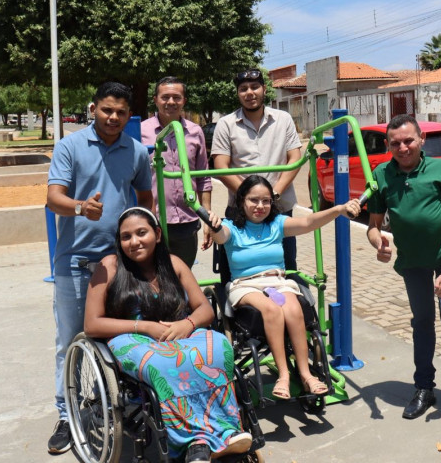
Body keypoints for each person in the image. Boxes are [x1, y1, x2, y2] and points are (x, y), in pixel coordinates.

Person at [84, 207, 252, 463]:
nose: (134, 241)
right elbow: (92, 324)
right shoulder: (109, 266)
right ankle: (191, 442)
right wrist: (143, 327)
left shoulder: (174, 264)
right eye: (126, 237)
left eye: (142, 233)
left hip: (177, 330)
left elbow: (204, 308)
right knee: (166, 362)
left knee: (217, 347)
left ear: (158, 234)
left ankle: (225, 433)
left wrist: (188, 324)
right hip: (130, 337)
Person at [45, 81, 155, 455]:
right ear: (93, 108)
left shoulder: (137, 152)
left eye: (121, 112)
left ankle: (115, 406)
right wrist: (80, 207)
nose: (113, 117)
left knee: (120, 336)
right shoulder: (69, 146)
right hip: (76, 262)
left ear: (128, 114)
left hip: (118, 264)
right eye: (107, 110)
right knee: (72, 340)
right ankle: (67, 415)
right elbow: (53, 199)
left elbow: (144, 198)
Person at [208, 175, 361, 400]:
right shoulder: (232, 227)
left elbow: (309, 223)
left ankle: (306, 374)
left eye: (266, 201)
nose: (260, 206)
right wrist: (213, 224)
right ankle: (284, 375)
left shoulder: (277, 224)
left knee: (293, 309)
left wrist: (337, 210)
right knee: (271, 309)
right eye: (254, 200)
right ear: (241, 201)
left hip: (278, 281)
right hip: (246, 284)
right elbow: (220, 237)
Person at [365, 114, 441, 423]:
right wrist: (379, 243)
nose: (403, 147)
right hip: (412, 263)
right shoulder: (382, 174)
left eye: (409, 140)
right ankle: (424, 387)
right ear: (387, 145)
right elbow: (373, 226)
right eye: (396, 143)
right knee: (422, 322)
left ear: (421, 139)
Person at [210, 68, 302, 271]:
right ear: (237, 93)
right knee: (234, 272)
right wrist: (249, 197)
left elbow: (295, 157)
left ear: (264, 89)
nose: (249, 92)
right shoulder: (226, 124)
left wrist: (273, 194)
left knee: (286, 268)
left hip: (279, 209)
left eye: (254, 87)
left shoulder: (283, 119)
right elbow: (220, 166)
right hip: (239, 212)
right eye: (243, 89)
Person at [141, 77, 212, 267]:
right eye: (165, 97)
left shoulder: (196, 131)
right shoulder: (141, 132)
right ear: (155, 99)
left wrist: (207, 218)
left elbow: (203, 177)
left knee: (183, 277)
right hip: (151, 220)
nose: (171, 102)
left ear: (184, 101)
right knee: (153, 279)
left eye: (176, 97)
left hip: (186, 220)